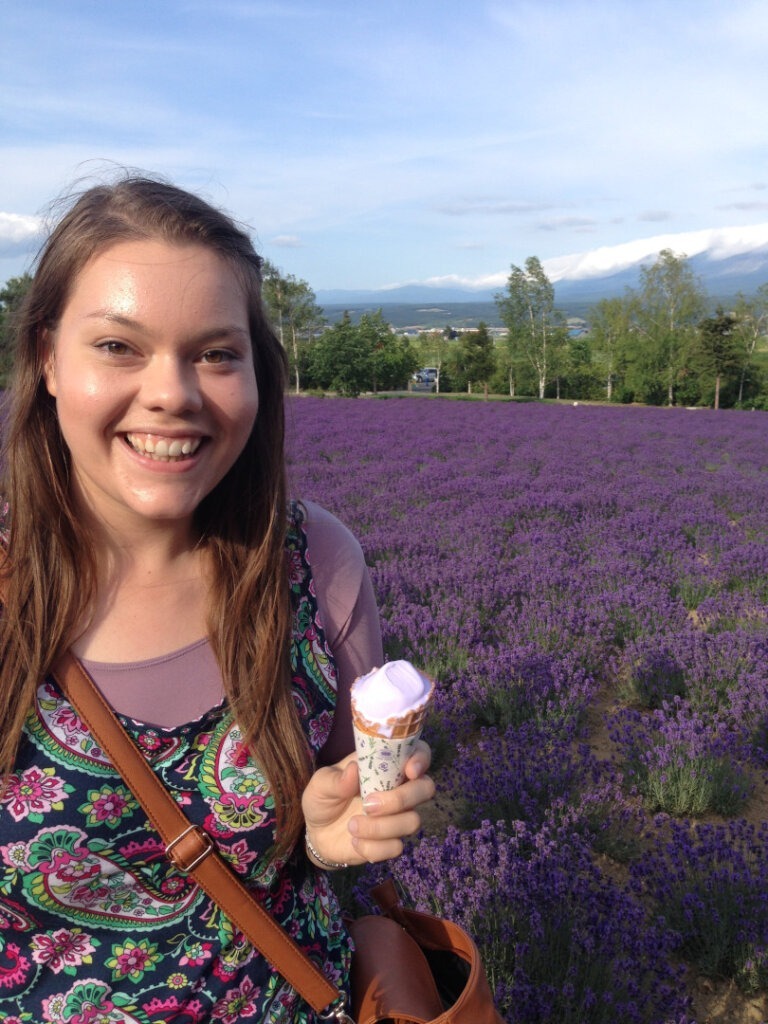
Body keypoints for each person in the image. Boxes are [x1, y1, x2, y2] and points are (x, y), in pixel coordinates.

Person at [0, 176, 434, 1024]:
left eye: (215, 352)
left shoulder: (317, 567)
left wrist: (328, 839)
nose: (174, 393)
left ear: (257, 374)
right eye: (119, 347)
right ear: (49, 358)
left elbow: (341, 812)